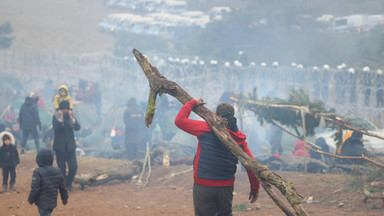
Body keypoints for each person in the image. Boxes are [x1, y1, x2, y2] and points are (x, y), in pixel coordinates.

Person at [174, 98, 259, 216]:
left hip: (203, 184)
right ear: (233, 116)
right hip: (226, 186)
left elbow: (179, 121)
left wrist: (192, 102)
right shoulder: (239, 138)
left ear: (215, 115)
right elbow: (251, 164)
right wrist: (255, 188)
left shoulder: (204, 128)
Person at [28, 148, 69, 216]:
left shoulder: (37, 172)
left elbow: (35, 188)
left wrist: (31, 199)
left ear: (38, 160)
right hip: (52, 203)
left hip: (42, 204)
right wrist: (64, 198)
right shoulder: (58, 170)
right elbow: (62, 187)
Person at [52, 101, 81, 191]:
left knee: (73, 167)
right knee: (62, 169)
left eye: (67, 109)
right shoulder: (56, 117)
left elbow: (78, 127)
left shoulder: (71, 117)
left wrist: (71, 117)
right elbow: (56, 128)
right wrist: (61, 118)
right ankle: (64, 186)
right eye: (63, 110)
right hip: (59, 147)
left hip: (70, 146)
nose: (65, 111)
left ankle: (68, 183)